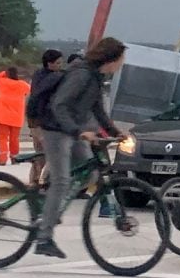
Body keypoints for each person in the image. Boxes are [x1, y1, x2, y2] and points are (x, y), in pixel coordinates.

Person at [35, 37, 127, 258]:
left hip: (73, 129)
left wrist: (116, 133)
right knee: (61, 180)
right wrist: (79, 132)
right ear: (111, 59)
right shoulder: (81, 74)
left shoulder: (96, 77)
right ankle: (44, 238)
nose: (122, 64)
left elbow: (98, 111)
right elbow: (59, 105)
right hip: (56, 129)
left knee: (91, 173)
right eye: (121, 60)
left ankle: (52, 211)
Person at [27, 49, 63, 186]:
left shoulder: (39, 75)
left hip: (36, 120)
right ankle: (39, 182)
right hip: (39, 121)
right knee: (47, 153)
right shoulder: (49, 78)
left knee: (41, 154)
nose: (60, 65)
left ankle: (34, 183)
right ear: (50, 63)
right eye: (58, 63)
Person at [0, 67, 31, 166]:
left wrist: (4, 73)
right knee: (15, 139)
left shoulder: (2, 82)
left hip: (2, 115)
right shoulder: (22, 85)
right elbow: (29, 90)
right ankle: (15, 158)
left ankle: (3, 158)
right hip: (16, 116)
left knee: (3, 138)